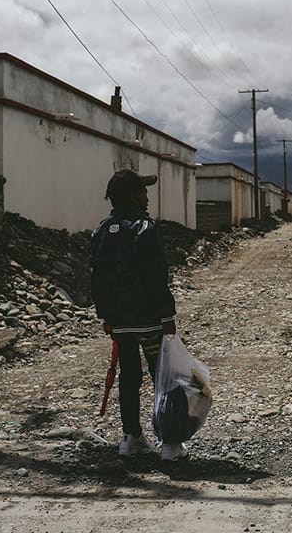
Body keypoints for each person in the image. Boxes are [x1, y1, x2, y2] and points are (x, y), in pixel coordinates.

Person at [90, 169, 184, 461]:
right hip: (149, 320)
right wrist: (167, 316)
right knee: (162, 377)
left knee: (129, 376)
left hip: (119, 322)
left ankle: (131, 438)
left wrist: (106, 316)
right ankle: (169, 443)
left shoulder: (102, 230)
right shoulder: (147, 229)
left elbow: (96, 279)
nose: (147, 196)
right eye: (143, 191)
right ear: (133, 197)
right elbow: (156, 278)